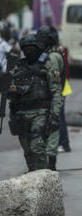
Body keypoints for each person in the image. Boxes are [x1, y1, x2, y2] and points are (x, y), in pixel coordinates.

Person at [7, 33, 63, 171]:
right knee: (28, 151)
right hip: (20, 114)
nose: (29, 51)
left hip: (40, 113)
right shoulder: (17, 67)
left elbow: (56, 92)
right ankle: (33, 176)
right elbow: (8, 91)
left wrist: (55, 115)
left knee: (37, 146)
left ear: (38, 48)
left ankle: (43, 178)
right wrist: (10, 89)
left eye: (32, 48)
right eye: (26, 48)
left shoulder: (47, 66)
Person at [36, 25, 65, 170]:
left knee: (52, 132)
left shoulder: (53, 56)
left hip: (52, 100)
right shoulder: (48, 54)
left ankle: (50, 169)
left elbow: (54, 84)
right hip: (45, 100)